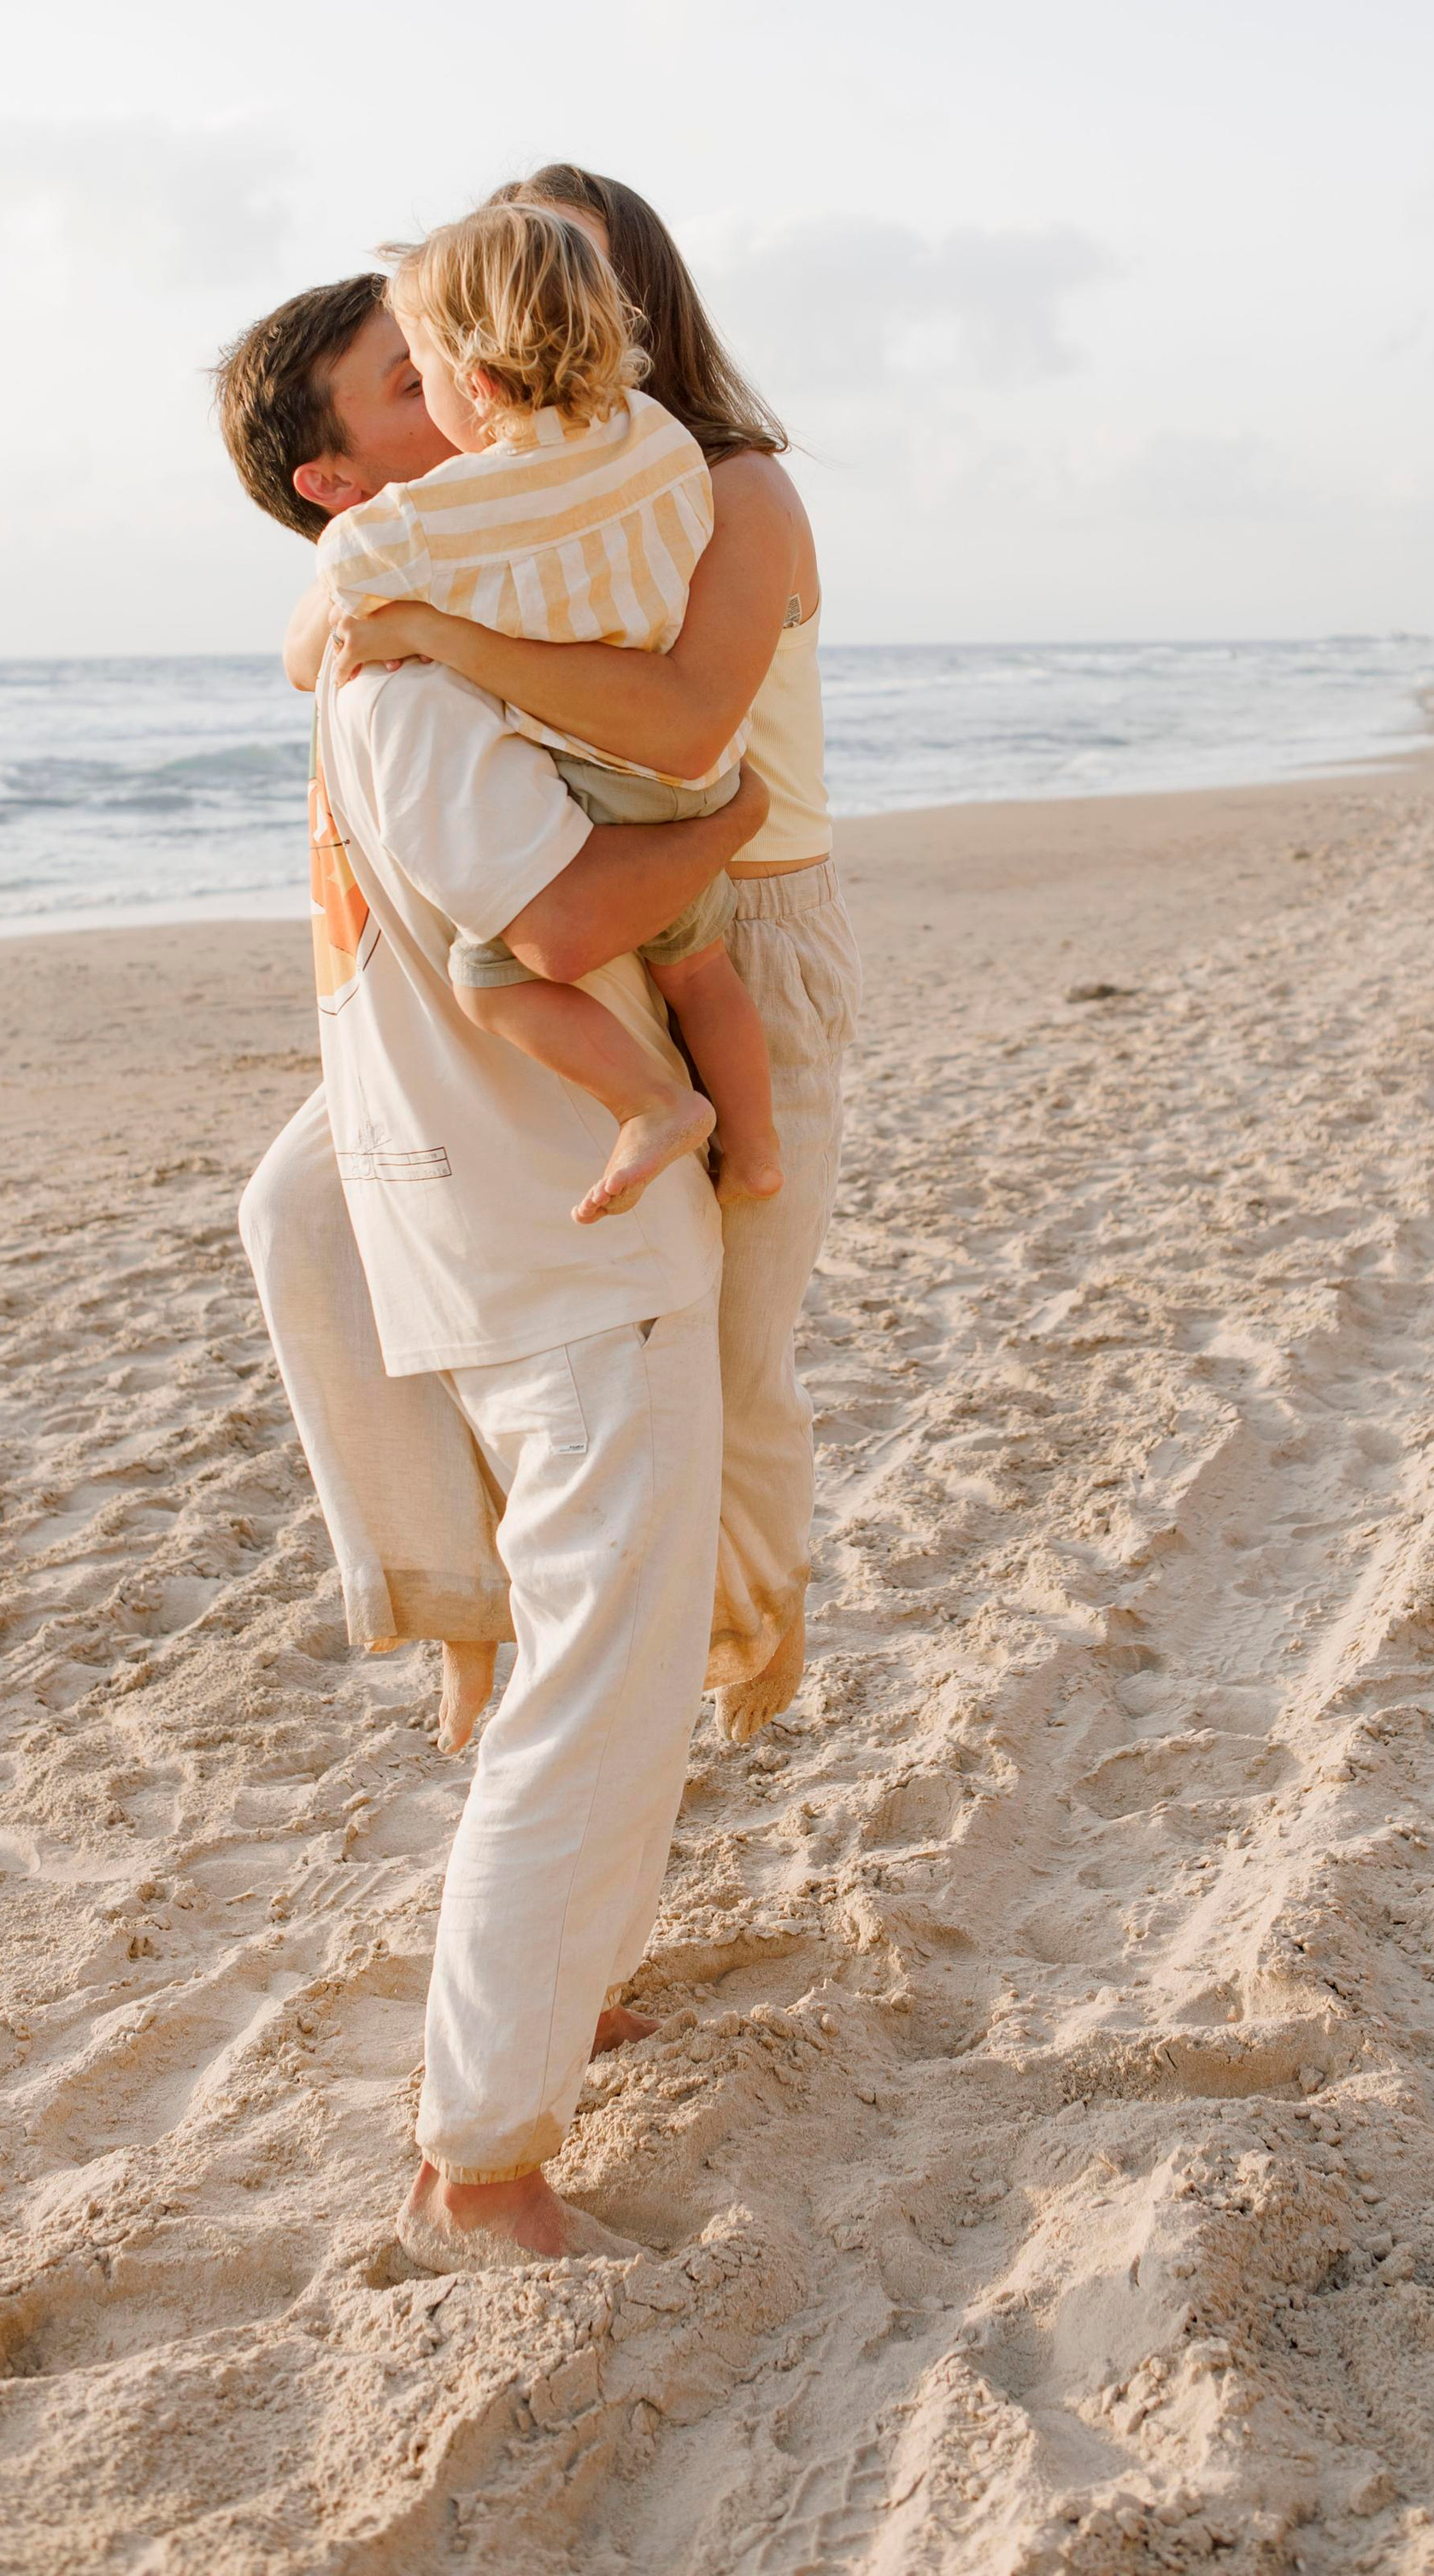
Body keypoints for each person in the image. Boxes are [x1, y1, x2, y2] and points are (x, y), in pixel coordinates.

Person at [217, 167, 857, 1762]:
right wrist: (374, 589)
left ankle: (739, 1637)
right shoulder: (498, 490)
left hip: (731, 911)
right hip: (569, 902)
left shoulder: (721, 484)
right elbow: (313, 634)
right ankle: (468, 1605)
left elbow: (687, 728)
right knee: (305, 1213)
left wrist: (433, 628)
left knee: (724, 1356)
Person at [292, 455, 761, 2257]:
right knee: (596, 1693)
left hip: (500, 1234)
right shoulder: (411, 692)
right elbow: (562, 925)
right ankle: (477, 2169)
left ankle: (557, 2007)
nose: (461, 425)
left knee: (600, 1668)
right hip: (564, 1248)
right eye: (410, 387)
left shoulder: (396, 668)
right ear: (338, 475)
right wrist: (729, 820)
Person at [317, 198, 781, 1221]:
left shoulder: (462, 512)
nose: (427, 393)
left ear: (475, 384)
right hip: (693, 779)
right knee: (702, 975)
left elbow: (347, 573)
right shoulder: (654, 435)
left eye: (423, 372)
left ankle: (655, 1102)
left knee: (490, 979)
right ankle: (756, 1147)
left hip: (601, 785)